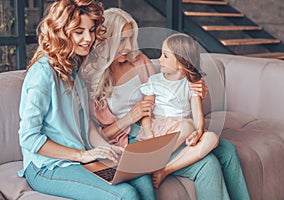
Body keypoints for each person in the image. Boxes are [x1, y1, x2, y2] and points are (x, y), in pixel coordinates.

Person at [80, 7, 250, 200]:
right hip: (134, 139)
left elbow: (170, 85)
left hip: (161, 127)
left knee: (228, 151)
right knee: (207, 163)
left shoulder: (139, 61)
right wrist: (129, 118)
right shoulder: (89, 78)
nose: (129, 47)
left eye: (130, 38)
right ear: (106, 40)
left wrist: (196, 85)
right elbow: (91, 136)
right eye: (121, 40)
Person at [18, 1, 154, 199]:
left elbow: (86, 124)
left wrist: (107, 149)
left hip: (79, 158)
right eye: (79, 32)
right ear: (62, 32)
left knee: (144, 182)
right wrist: (81, 155)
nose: (88, 38)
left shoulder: (75, 69)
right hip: (46, 167)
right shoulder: (43, 73)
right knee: (126, 195)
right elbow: (29, 137)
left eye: (91, 30)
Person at [136, 33, 220, 188]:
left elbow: (197, 114)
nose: (160, 59)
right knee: (186, 126)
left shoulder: (191, 84)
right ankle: (153, 158)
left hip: (184, 133)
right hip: (160, 132)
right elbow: (146, 110)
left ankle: (165, 169)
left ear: (181, 63)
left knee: (212, 138)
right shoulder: (154, 81)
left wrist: (199, 132)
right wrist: (148, 132)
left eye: (165, 56)